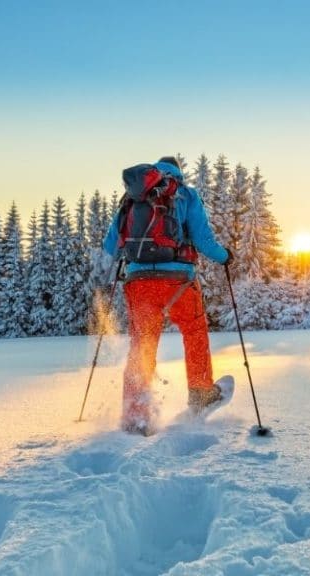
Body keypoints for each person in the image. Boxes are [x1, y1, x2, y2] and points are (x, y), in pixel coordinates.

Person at [103, 156, 232, 434]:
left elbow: (110, 245)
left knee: (142, 344)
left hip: (139, 284)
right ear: (178, 172)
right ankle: (200, 394)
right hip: (179, 282)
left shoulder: (132, 198)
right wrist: (225, 257)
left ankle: (136, 415)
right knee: (194, 330)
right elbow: (203, 240)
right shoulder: (184, 194)